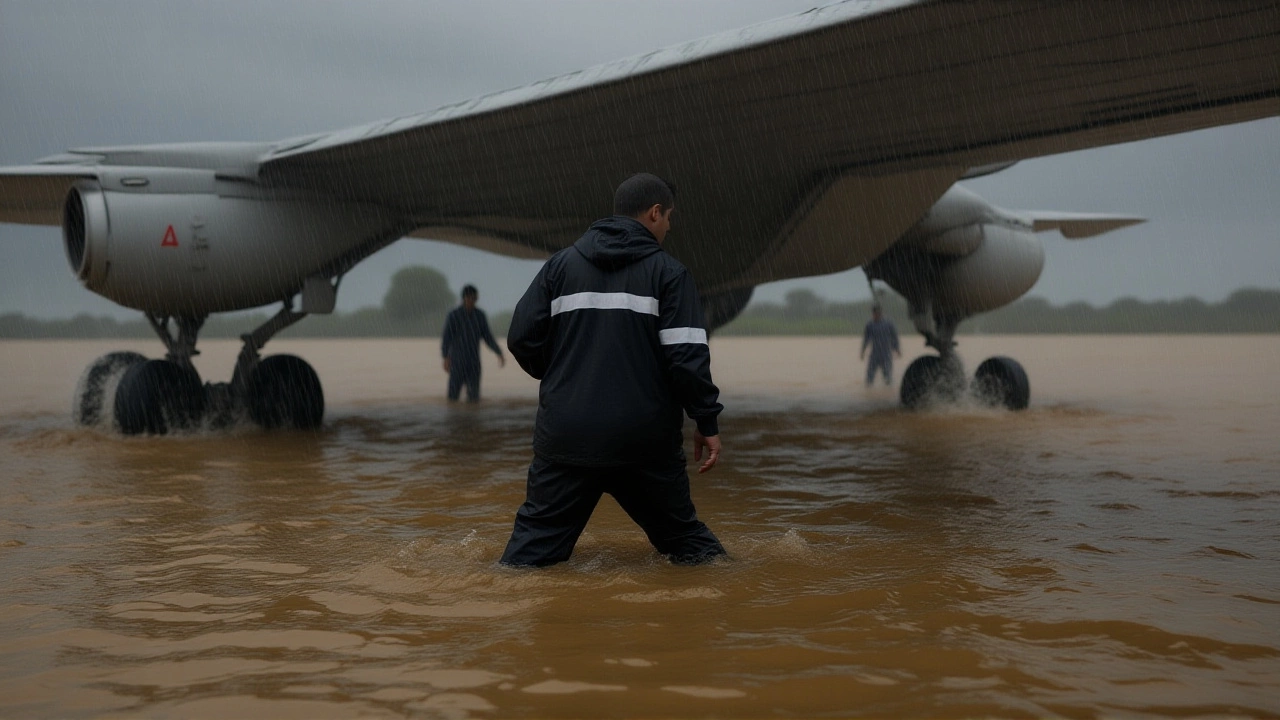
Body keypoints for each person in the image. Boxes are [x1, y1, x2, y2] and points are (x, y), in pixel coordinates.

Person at [500, 173, 726, 567]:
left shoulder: (560, 266)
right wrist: (706, 421)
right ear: (655, 213)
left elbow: (521, 337)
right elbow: (686, 360)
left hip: (567, 437)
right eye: (670, 217)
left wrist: (563, 380)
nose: (670, 227)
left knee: (526, 562)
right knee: (692, 549)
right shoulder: (669, 275)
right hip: (643, 441)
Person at [440, 285, 504, 402]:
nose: (472, 301)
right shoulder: (454, 315)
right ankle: (452, 419)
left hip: (473, 362)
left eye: (474, 299)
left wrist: (498, 352)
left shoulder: (480, 316)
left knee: (474, 399)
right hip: (457, 362)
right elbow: (446, 338)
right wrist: (445, 357)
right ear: (463, 298)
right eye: (469, 298)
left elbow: (487, 337)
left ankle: (472, 419)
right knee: (452, 398)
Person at [860, 304, 901, 386]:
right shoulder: (870, 325)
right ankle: (869, 392)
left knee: (887, 377)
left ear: (881, 313)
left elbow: (894, 337)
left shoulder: (889, 324)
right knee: (869, 377)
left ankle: (888, 392)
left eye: (878, 313)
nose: (876, 315)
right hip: (874, 354)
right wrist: (863, 351)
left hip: (886, 354)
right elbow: (866, 339)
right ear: (873, 313)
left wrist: (897, 349)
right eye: (875, 313)